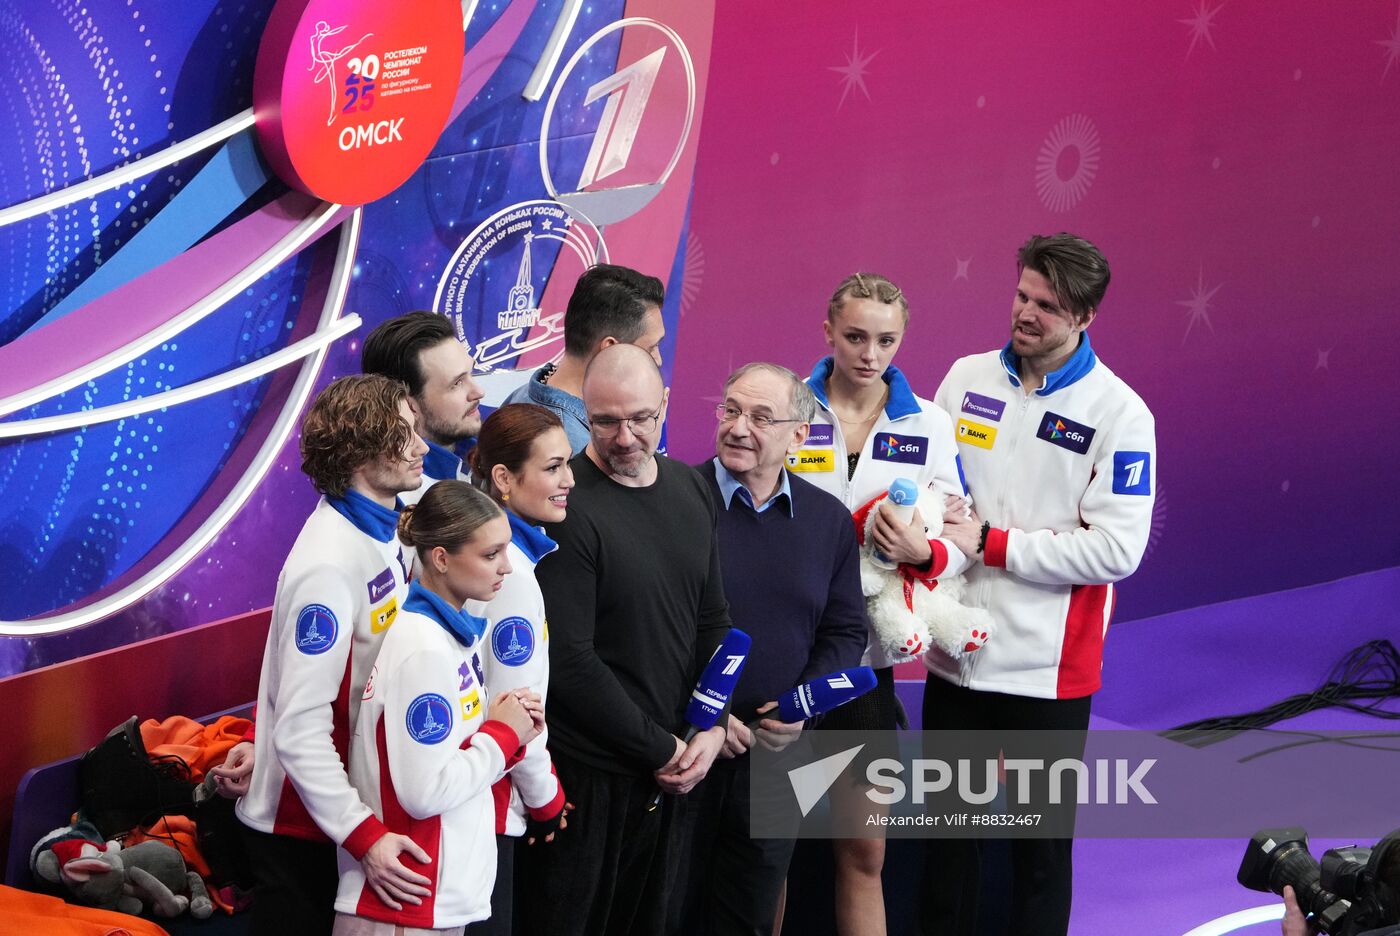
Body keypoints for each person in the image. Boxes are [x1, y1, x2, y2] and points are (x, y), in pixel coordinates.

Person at [922, 233, 1157, 936]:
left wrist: (996, 546)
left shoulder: (1121, 414)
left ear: (1084, 317)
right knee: (945, 846)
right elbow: (935, 489)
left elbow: (1118, 549)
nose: (1025, 314)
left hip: (1047, 675)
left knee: (1039, 855)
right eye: (1022, 295)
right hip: (956, 659)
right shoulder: (966, 379)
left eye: (1046, 307)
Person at [517, 343, 732, 936]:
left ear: (665, 403)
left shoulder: (693, 488)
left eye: (641, 417)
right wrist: (662, 750)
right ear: (582, 412)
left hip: (673, 773)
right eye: (606, 420)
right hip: (587, 781)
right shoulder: (565, 504)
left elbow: (713, 621)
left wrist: (712, 727)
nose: (625, 436)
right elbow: (571, 661)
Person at [797, 272, 968, 935]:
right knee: (770, 848)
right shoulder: (786, 408)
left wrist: (921, 549)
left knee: (865, 848)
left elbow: (957, 533)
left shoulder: (929, 424)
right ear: (829, 332)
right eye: (857, 337)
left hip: (863, 661)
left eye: (887, 340)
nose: (871, 355)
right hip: (786, 653)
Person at [672, 362, 868, 935]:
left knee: (752, 913)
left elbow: (845, 632)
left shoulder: (828, 521)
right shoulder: (677, 499)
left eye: (761, 417)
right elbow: (651, 627)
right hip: (683, 744)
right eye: (730, 410)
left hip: (779, 757)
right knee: (667, 909)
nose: (738, 427)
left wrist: (802, 708)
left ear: (799, 436)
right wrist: (705, 712)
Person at [235, 374, 432, 936]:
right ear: (358, 452)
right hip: (302, 832)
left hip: (341, 819)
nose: (421, 447)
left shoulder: (384, 531)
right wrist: (362, 833)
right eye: (404, 435)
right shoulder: (326, 565)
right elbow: (299, 729)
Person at [333, 480, 545, 935]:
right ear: (442, 558)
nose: (507, 567)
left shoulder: (449, 635)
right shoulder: (424, 649)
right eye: (491, 555)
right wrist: (502, 736)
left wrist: (511, 730)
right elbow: (424, 792)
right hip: (405, 903)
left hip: (429, 898)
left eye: (506, 551)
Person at [461, 404, 576, 934]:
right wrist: (547, 797)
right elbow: (515, 709)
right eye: (552, 468)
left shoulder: (479, 553)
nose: (569, 480)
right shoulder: (512, 574)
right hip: (489, 804)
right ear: (504, 478)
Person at [502, 264, 667, 455]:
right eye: (651, 347)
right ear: (610, 349)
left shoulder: (519, 398)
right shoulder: (572, 449)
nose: (658, 360)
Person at [362, 310, 486, 496]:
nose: (479, 392)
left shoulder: (494, 438)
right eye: (457, 383)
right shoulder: (402, 503)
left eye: (471, 373)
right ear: (408, 403)